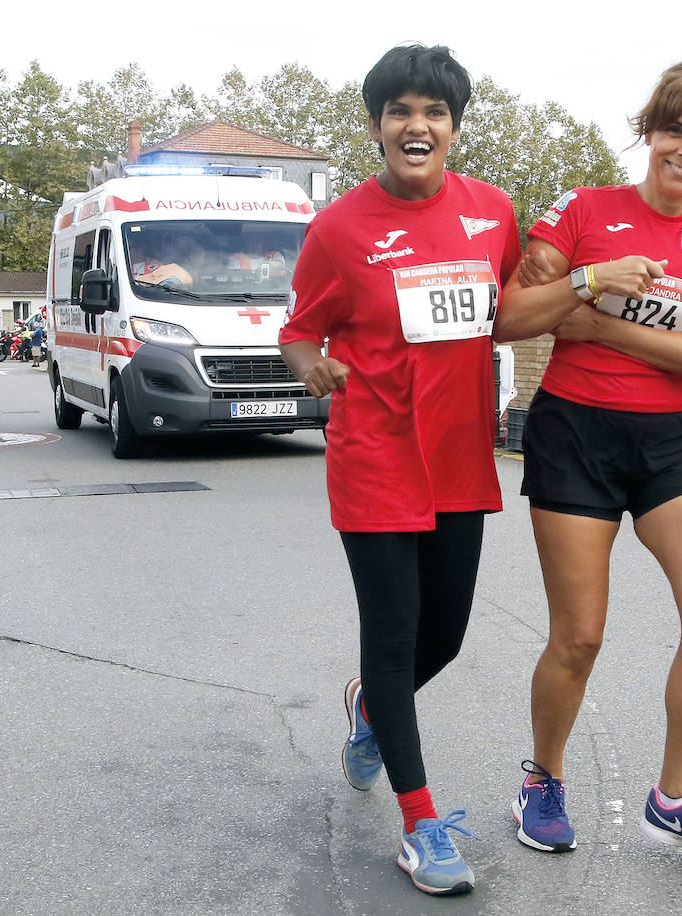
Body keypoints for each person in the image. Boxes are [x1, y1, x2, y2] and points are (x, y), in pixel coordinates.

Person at [492, 60, 682, 870]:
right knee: (578, 636)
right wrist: (587, 278)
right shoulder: (583, 210)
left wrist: (601, 326)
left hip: (674, 440)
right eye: (675, 128)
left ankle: (674, 801)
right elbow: (510, 316)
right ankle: (543, 781)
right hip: (576, 431)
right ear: (650, 130)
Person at [278, 43, 520, 897]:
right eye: (400, 111)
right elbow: (299, 328)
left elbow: (515, 310)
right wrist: (310, 363)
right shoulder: (340, 227)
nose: (417, 126)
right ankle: (421, 824)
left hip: (458, 458)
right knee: (392, 634)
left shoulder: (494, 212)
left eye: (434, 112)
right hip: (375, 453)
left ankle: (372, 707)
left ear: (454, 127)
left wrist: (591, 280)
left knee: (443, 637)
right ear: (377, 125)